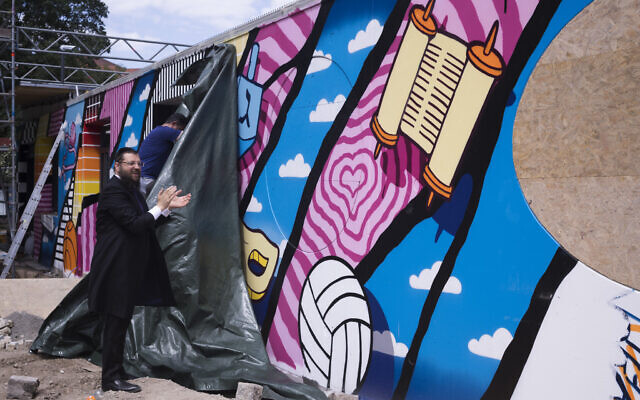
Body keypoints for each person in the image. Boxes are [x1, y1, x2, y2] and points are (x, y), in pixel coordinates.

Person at [88, 147, 191, 393]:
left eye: (139, 164)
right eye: (130, 163)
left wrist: (166, 209)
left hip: (126, 267)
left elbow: (145, 219)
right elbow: (135, 225)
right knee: (115, 320)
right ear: (117, 166)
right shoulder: (113, 191)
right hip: (115, 268)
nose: (136, 167)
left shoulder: (130, 190)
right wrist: (158, 207)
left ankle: (116, 371)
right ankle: (110, 379)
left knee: (121, 319)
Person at [138, 113, 188, 196]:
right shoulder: (164, 130)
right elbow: (187, 135)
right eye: (178, 129)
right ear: (173, 123)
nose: (177, 131)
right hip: (146, 179)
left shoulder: (158, 131)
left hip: (144, 177)